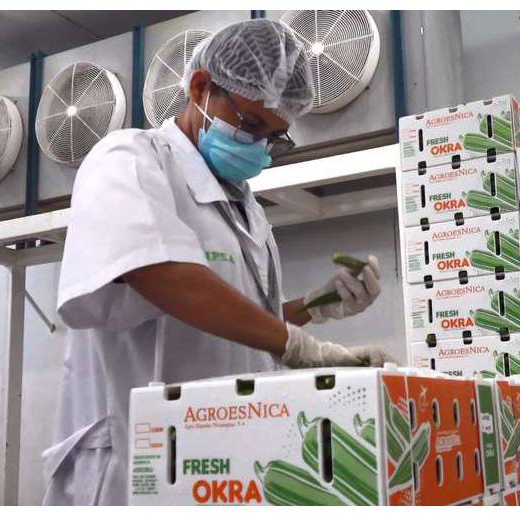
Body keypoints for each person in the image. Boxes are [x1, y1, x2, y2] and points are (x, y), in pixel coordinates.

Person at [42, 19, 391, 505]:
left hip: (223, 459)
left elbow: (238, 325)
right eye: (252, 125)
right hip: (135, 461)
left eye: (275, 137)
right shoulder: (130, 159)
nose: (259, 147)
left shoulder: (247, 207)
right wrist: (305, 348)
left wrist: (314, 307)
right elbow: (160, 274)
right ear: (201, 87)